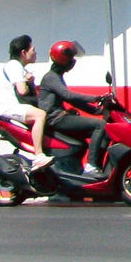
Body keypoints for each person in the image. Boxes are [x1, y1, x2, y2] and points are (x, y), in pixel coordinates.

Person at [34, 40, 110, 178]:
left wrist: (98, 111)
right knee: (100, 125)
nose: (73, 61)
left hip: (60, 117)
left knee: (106, 132)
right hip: (56, 119)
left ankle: (96, 169)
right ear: (64, 59)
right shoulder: (51, 77)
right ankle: (91, 165)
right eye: (71, 58)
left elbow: (72, 100)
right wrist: (94, 98)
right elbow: (67, 95)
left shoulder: (56, 77)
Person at [0, 35, 45, 161]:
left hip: (12, 106)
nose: (35, 53)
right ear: (23, 52)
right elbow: (22, 90)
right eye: (33, 50)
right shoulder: (14, 65)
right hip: (8, 107)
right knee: (40, 115)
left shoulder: (19, 67)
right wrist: (27, 81)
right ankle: (39, 156)